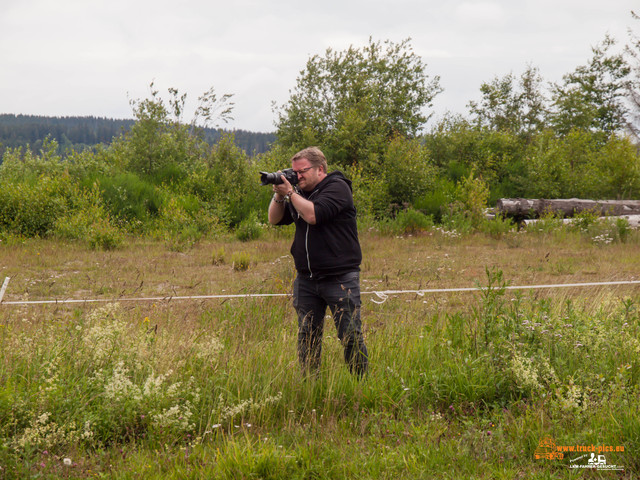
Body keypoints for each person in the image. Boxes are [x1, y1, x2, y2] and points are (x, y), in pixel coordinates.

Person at [268, 146, 368, 377]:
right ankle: (311, 384)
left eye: (302, 171)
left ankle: (361, 385)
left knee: (350, 335)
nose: (297, 176)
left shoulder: (337, 188)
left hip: (340, 278)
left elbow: (313, 215)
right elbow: (274, 219)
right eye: (294, 172)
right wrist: (279, 194)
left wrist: (291, 193)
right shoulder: (299, 193)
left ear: (320, 169)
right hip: (306, 279)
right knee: (308, 337)